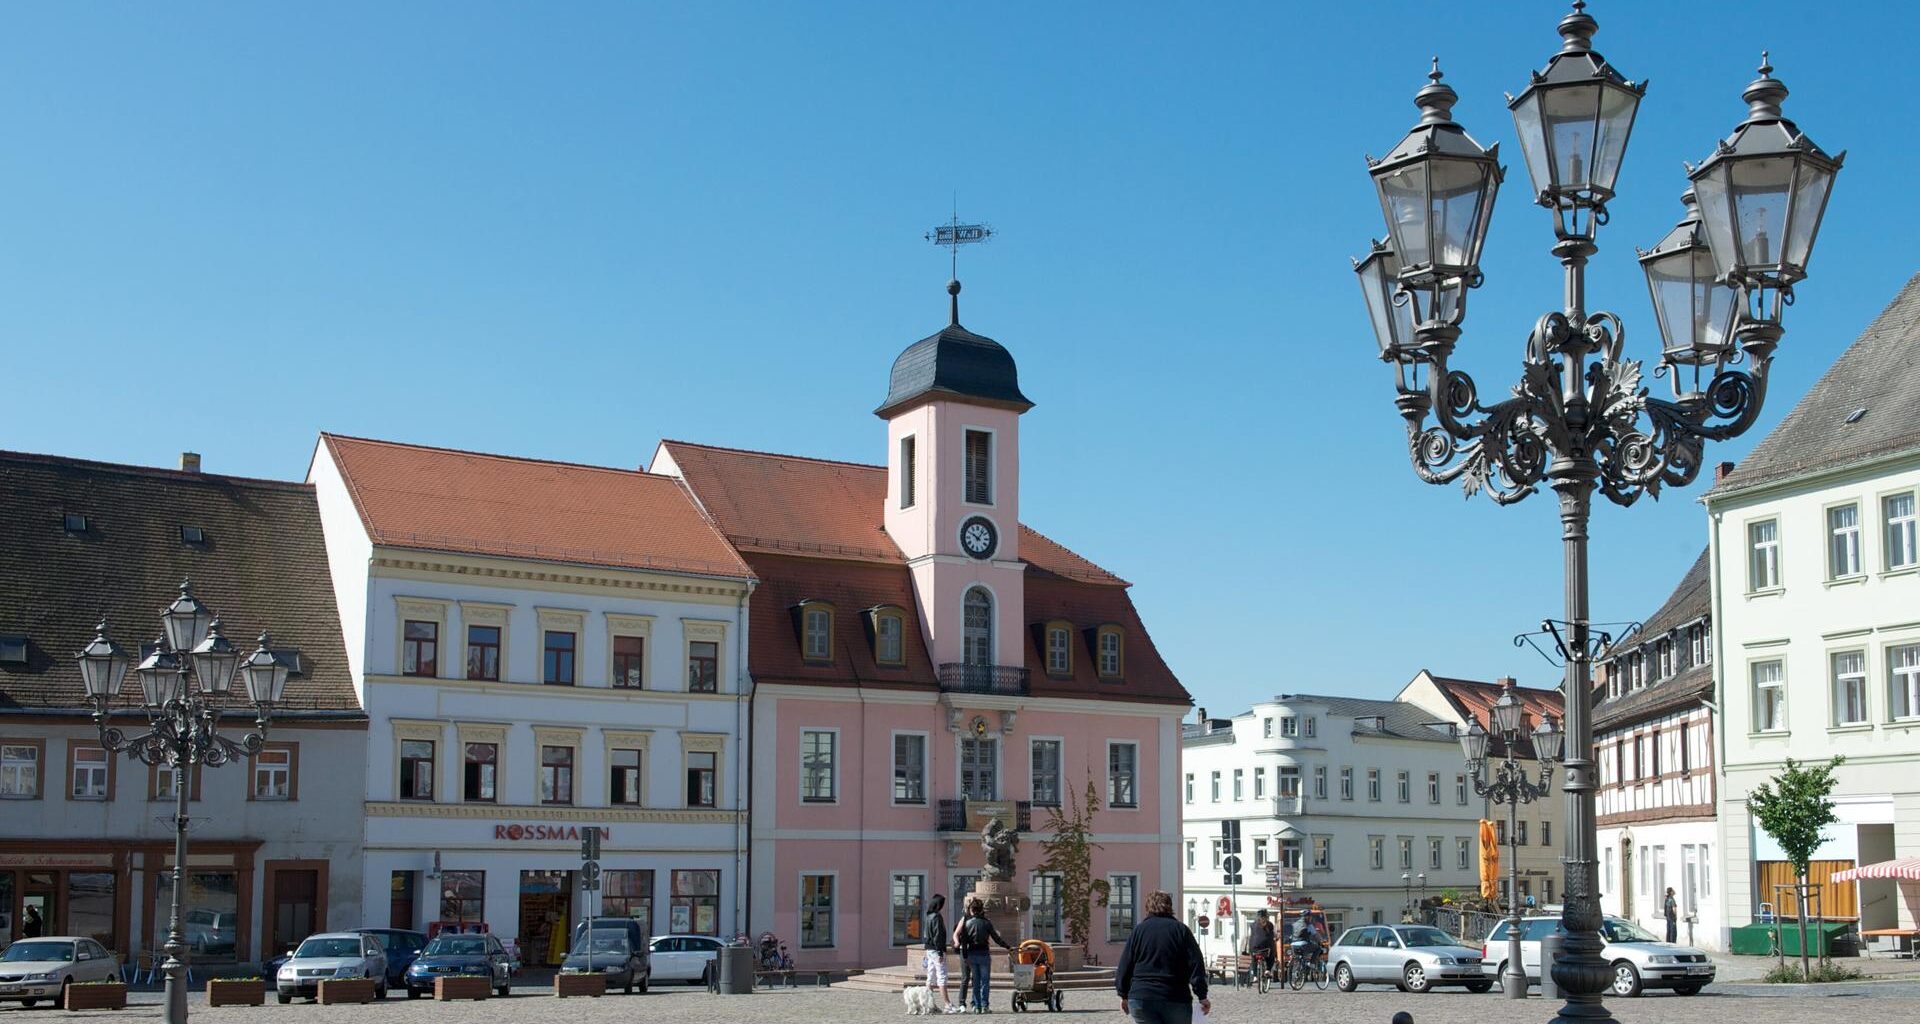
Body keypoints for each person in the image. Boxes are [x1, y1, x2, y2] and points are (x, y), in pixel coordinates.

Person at [1115, 890, 1209, 1024]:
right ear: (1170, 907)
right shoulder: (1181, 930)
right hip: (1175, 997)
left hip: (1142, 997)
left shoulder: (1139, 931)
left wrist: (1123, 994)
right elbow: (1196, 964)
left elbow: (1125, 964)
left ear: (1147, 907)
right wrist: (1202, 995)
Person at [953, 898, 1010, 1012]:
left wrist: (965, 956)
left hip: (972, 954)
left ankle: (977, 1007)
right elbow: (996, 938)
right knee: (985, 981)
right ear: (981, 910)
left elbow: (964, 942)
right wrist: (1007, 946)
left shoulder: (966, 923)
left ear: (972, 910)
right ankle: (985, 1006)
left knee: (976, 981)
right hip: (984, 954)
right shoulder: (986, 922)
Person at [922, 893, 958, 1014]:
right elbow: (938, 936)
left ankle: (929, 1004)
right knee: (941, 977)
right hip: (936, 950)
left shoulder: (928, 916)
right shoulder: (936, 917)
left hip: (929, 949)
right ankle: (947, 1004)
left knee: (930, 977)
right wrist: (940, 952)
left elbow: (927, 934)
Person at [1245, 911, 1276, 984]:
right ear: (1266, 917)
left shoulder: (1252, 925)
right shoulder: (1270, 924)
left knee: (1254, 959)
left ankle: (1255, 976)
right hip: (1266, 947)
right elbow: (1272, 936)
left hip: (1254, 947)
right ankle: (1268, 970)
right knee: (1271, 955)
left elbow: (1248, 936)